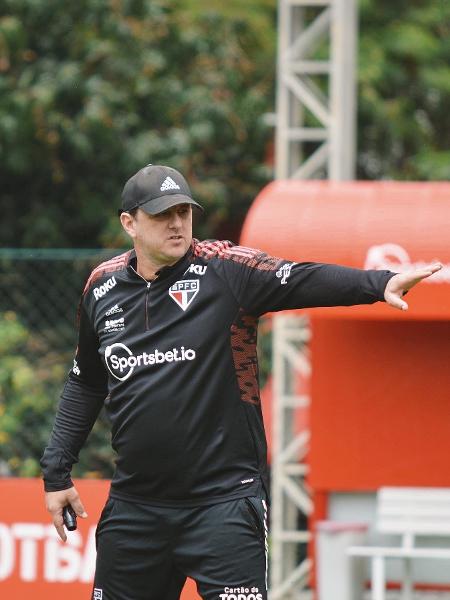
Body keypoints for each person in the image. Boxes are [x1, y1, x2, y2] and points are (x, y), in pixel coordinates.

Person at [40, 164, 442, 600]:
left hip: (225, 505)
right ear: (129, 223)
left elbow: (299, 277)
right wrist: (56, 473)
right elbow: (85, 384)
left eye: (183, 211)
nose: (177, 223)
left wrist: (378, 283)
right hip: (137, 506)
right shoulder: (101, 288)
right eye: (161, 214)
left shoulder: (227, 271)